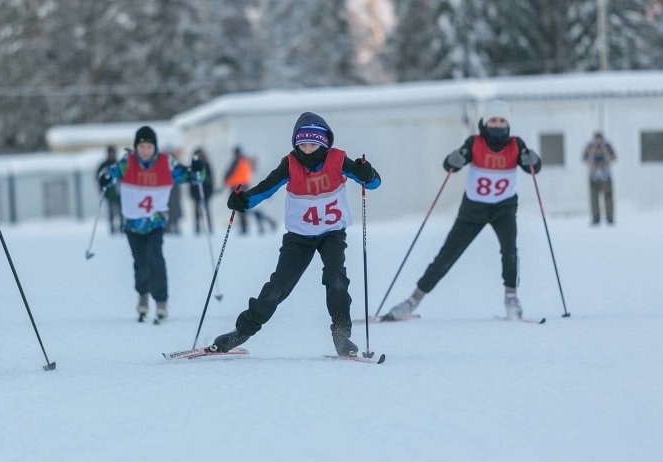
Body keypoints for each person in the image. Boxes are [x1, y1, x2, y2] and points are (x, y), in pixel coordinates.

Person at [208, 112, 381, 356]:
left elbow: (373, 184)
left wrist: (368, 174)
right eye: (302, 144)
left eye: (313, 144)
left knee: (337, 282)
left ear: (324, 143)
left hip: (332, 234)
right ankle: (241, 332)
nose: (307, 149)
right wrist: (243, 201)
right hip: (299, 238)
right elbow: (266, 188)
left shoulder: (338, 159)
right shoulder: (290, 163)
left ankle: (342, 337)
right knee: (278, 287)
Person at [380, 100, 541, 322]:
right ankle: (412, 301)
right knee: (447, 255)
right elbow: (452, 163)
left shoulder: (516, 144)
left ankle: (511, 299)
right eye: (493, 120)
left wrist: (532, 159)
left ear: (508, 124)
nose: (497, 125)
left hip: (504, 208)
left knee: (510, 252)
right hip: (473, 210)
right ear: (485, 122)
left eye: (502, 121)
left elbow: (533, 167)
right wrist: (453, 160)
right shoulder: (475, 142)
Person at [98, 126, 203, 324]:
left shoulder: (166, 162)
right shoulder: (127, 162)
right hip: (132, 224)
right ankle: (143, 295)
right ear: (136, 147)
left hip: (155, 222)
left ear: (155, 147)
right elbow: (110, 175)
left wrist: (198, 170)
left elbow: (189, 175)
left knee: (155, 257)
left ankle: (161, 301)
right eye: (142, 146)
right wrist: (104, 177)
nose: (145, 150)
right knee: (140, 262)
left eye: (149, 146)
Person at [223, 146, 277, 234]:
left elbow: (229, 174)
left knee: (244, 208)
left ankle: (246, 227)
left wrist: (225, 181)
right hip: (245, 186)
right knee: (248, 208)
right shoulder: (245, 161)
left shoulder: (238, 162)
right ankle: (267, 223)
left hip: (238, 187)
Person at [583, 132, 616, 226]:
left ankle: (610, 218)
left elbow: (613, 157)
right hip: (594, 176)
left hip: (605, 175)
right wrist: (591, 163)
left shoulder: (607, 146)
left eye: (600, 139)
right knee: (594, 199)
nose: (598, 141)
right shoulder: (590, 146)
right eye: (596, 139)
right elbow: (585, 157)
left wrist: (606, 158)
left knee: (608, 198)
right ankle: (595, 219)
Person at [96, 145, 122, 234]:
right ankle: (112, 229)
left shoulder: (119, 164)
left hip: (119, 193)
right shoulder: (104, 165)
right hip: (109, 193)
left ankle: (121, 228)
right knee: (111, 212)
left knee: (121, 212)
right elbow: (99, 178)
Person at [189, 147, 214, 234]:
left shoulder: (206, 165)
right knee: (196, 211)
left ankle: (209, 228)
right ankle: (197, 228)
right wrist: (191, 192)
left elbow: (211, 179)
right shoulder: (193, 166)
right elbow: (190, 181)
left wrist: (210, 190)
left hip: (206, 192)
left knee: (206, 211)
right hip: (196, 193)